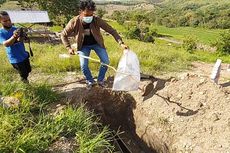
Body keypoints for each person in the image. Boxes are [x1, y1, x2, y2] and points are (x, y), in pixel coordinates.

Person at [61, 0, 128, 89]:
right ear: (80, 12)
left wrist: (121, 43)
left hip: (97, 44)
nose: (89, 17)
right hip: (83, 46)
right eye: (86, 15)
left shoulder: (97, 20)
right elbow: (63, 35)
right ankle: (90, 81)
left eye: (91, 15)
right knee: (84, 66)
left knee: (106, 62)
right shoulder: (74, 21)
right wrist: (68, 48)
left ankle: (100, 80)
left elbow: (111, 30)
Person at [0, 11, 31, 83]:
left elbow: (21, 40)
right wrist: (14, 36)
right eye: (5, 21)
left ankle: (25, 82)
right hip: (15, 58)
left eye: (9, 20)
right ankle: (26, 88)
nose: (8, 22)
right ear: (0, 21)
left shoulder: (16, 28)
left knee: (28, 70)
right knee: (24, 74)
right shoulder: (1, 32)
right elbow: (6, 44)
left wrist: (24, 37)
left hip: (24, 55)